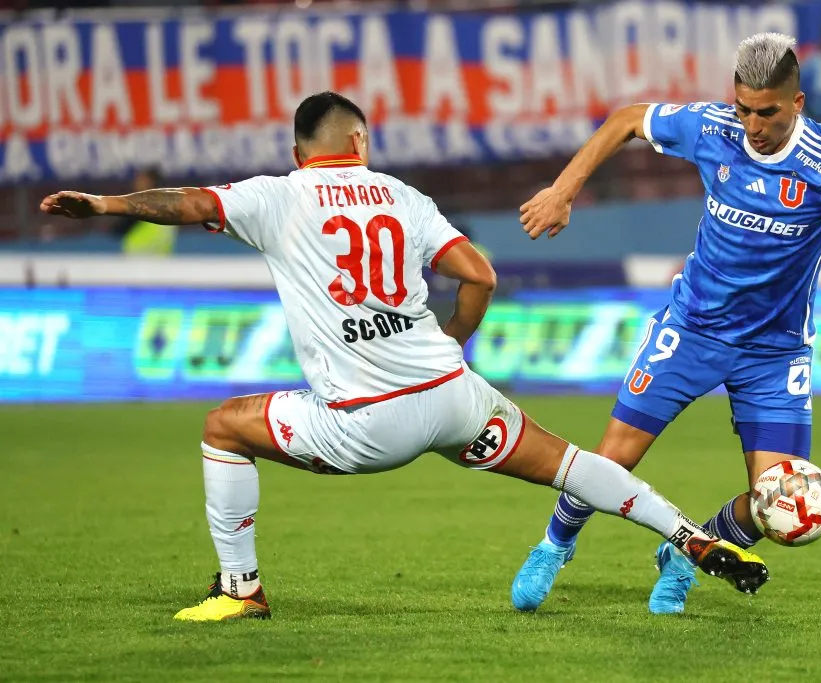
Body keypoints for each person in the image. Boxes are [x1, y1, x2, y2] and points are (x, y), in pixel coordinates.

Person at [39, 92, 768, 622]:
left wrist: (105, 206)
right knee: (570, 462)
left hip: (364, 424)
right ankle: (688, 534)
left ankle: (241, 589)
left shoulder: (278, 195)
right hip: (452, 395)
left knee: (223, 427)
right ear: (360, 141)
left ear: (298, 154)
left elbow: (191, 203)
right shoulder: (402, 196)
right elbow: (479, 275)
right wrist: (453, 340)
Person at [512, 32, 821, 614]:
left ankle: (684, 556)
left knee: (778, 502)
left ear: (797, 103)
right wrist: (563, 190)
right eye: (743, 108)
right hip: (691, 330)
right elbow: (626, 119)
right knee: (612, 459)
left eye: (766, 112)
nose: (751, 125)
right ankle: (554, 546)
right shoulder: (712, 128)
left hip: (775, 353)